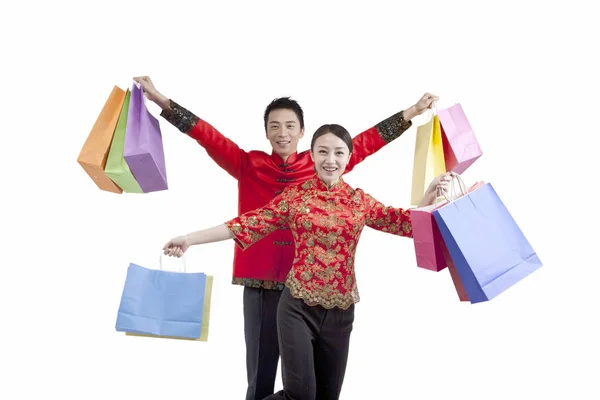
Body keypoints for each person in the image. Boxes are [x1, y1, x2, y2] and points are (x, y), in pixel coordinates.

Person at [135, 75, 438, 400]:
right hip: (264, 283)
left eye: (290, 126)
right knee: (265, 379)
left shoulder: (325, 166)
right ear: (266, 131)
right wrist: (161, 101)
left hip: (327, 296)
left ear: (302, 132)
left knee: (318, 391)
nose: (282, 133)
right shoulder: (250, 165)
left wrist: (412, 111)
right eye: (275, 126)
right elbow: (208, 137)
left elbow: (366, 144)